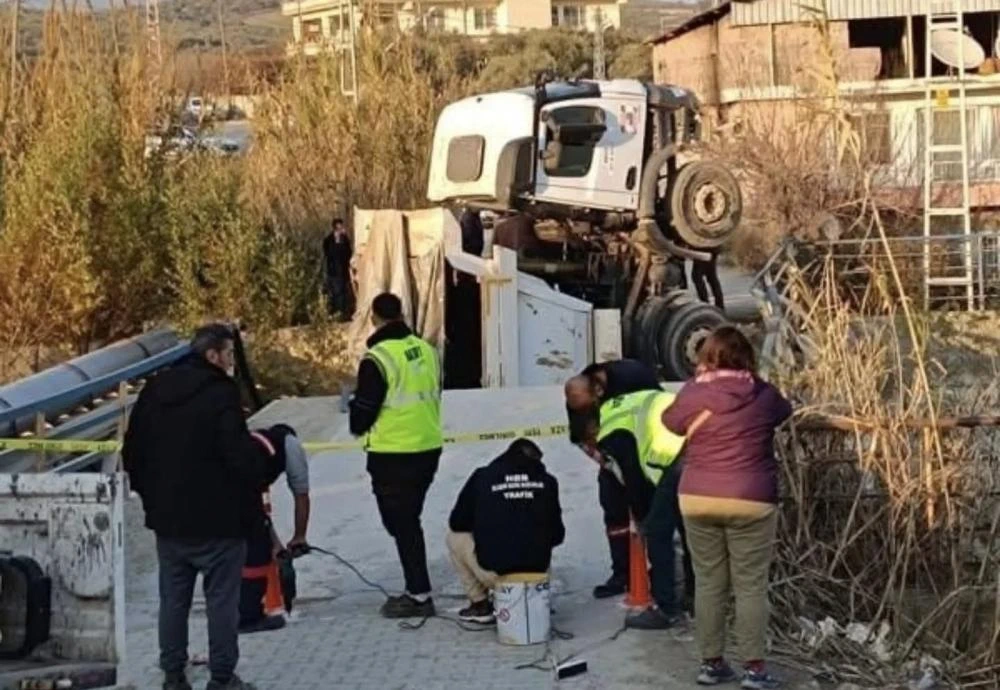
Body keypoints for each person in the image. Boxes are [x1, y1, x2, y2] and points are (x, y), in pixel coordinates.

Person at [123, 324, 263, 690]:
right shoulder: (221, 394)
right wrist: (253, 497)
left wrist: (151, 499)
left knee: (173, 601)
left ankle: (172, 675)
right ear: (213, 355)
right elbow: (237, 456)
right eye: (230, 354)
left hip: (169, 522)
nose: (233, 362)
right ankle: (221, 678)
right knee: (221, 604)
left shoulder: (155, 390)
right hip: (219, 522)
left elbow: (132, 450)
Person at [662, 326, 791, 689]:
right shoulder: (762, 394)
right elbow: (785, 411)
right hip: (751, 497)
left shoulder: (693, 392)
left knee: (708, 583)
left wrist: (699, 384)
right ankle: (754, 669)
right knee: (750, 586)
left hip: (697, 496)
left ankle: (711, 663)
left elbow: (670, 423)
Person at [349, 292, 443, 619]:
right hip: (428, 447)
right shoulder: (428, 351)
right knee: (408, 521)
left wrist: (353, 418)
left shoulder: (378, 358)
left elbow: (363, 411)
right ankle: (417, 588)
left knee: (401, 523)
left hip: (393, 453)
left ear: (374, 317)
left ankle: (418, 594)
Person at [594, 386, 691, 631]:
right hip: (695, 456)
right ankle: (694, 596)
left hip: (674, 463)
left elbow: (632, 475)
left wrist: (640, 516)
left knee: (658, 531)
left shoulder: (611, 431)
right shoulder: (630, 403)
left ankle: (666, 608)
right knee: (690, 530)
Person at [564, 359, 661, 599]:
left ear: (598, 391)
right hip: (613, 454)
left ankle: (661, 576)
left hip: (644, 453)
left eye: (589, 407)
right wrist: (603, 460)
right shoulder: (580, 392)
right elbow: (579, 433)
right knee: (612, 506)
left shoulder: (633, 378)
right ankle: (622, 573)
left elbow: (658, 414)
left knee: (650, 514)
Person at [446, 439, 565, 623]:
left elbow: (457, 522)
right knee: (541, 532)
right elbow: (558, 536)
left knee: (454, 538)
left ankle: (480, 603)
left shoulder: (482, 477)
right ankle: (535, 599)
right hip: (537, 575)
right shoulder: (548, 482)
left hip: (494, 574)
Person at [238, 424, 311, 635]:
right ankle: (249, 616)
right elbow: (301, 495)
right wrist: (299, 537)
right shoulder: (289, 446)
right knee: (257, 549)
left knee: (256, 540)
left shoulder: (254, 443)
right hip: (243, 488)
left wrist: (280, 542)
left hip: (231, 487)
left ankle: (242, 607)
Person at [323, 217, 354, 321]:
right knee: (336, 293)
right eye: (338, 228)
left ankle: (344, 314)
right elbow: (328, 254)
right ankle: (337, 314)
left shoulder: (345, 240)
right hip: (334, 272)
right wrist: (337, 243)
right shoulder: (328, 240)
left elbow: (349, 253)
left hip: (344, 270)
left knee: (344, 293)